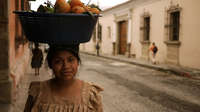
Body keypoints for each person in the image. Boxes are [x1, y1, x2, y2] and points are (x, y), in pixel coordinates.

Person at [24, 44, 104, 112]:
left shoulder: (90, 95)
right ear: (50, 65)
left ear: (78, 62)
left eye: (71, 60)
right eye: (58, 61)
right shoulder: (37, 92)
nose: (66, 66)